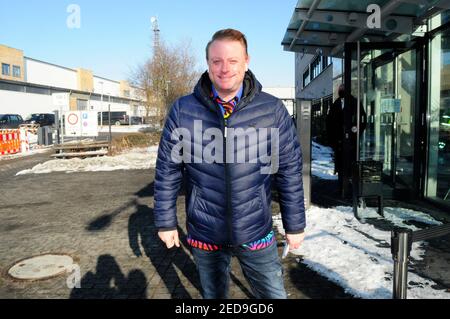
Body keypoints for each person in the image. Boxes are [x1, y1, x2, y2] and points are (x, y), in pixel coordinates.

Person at [154, 29, 306, 299]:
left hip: (256, 230)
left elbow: (289, 171)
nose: (224, 68)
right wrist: (166, 222)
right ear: (208, 64)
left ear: (246, 61)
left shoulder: (271, 110)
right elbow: (168, 170)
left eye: (232, 60)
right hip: (205, 232)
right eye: (216, 61)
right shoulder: (183, 110)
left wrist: (294, 225)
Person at [326, 84, 366, 197]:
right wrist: (332, 139)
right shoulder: (335, 104)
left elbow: (362, 120)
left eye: (343, 89)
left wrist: (355, 132)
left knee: (352, 165)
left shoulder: (355, 103)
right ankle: (341, 188)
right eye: (340, 89)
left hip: (351, 142)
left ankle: (352, 189)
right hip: (339, 142)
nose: (341, 91)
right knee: (341, 166)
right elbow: (329, 123)